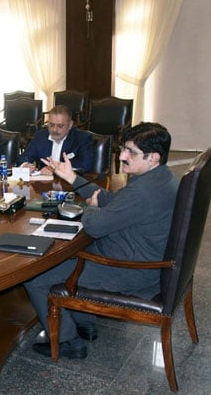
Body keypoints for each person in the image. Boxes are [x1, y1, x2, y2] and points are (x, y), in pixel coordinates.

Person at [24, 122, 178, 359]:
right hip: (139, 254)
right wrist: (72, 178)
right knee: (66, 254)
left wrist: (91, 210)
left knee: (36, 277)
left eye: (131, 152)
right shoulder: (160, 177)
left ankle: (67, 342)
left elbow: (94, 226)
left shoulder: (143, 192)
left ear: (153, 157)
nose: (123, 156)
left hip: (130, 269)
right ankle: (84, 322)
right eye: (123, 149)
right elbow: (113, 200)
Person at [18, 105, 93, 174]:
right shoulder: (40, 136)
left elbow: (85, 165)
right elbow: (24, 157)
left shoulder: (82, 138)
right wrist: (25, 165)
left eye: (60, 126)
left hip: (70, 185)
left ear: (70, 125)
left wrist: (55, 168)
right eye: (51, 125)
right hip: (44, 184)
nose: (54, 130)